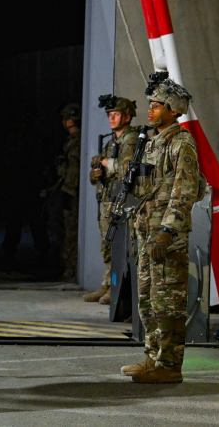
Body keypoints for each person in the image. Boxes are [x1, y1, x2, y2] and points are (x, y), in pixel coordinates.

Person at [122, 72, 203, 384]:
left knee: (168, 301)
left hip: (166, 238)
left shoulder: (181, 143)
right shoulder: (152, 142)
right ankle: (152, 356)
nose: (150, 110)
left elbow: (184, 192)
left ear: (172, 110)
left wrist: (167, 231)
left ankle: (169, 364)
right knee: (147, 300)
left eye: (157, 105)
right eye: (151, 104)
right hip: (147, 233)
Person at [84, 95, 140, 304]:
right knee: (107, 245)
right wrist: (96, 173)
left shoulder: (131, 140)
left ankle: (116, 289)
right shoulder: (111, 142)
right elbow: (97, 175)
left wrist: (107, 163)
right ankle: (107, 283)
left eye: (115, 114)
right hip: (109, 200)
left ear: (127, 116)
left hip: (122, 201)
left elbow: (128, 169)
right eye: (109, 115)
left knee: (119, 246)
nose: (111, 118)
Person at [55, 103, 81, 281]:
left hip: (72, 191)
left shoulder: (77, 141)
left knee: (70, 231)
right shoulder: (71, 140)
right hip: (68, 188)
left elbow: (73, 169)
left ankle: (71, 268)